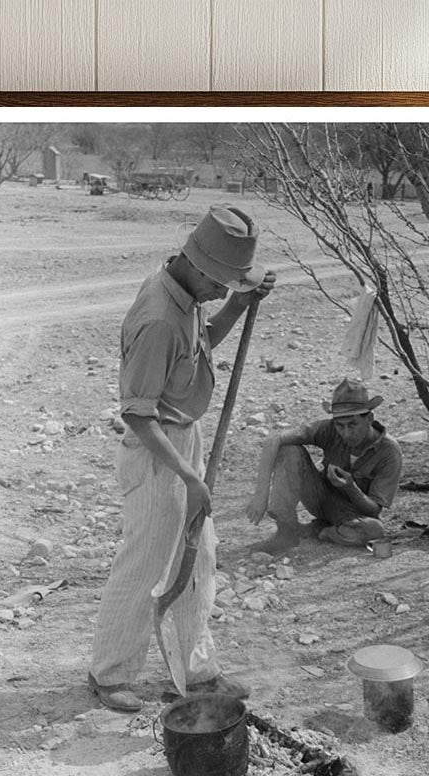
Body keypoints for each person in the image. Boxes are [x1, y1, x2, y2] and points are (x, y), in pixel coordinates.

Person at [88, 207, 276, 712]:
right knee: (147, 562)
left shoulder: (185, 291)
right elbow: (137, 415)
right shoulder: (158, 319)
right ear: (201, 268)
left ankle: (195, 672)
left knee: (199, 560)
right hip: (157, 455)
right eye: (222, 284)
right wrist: (190, 476)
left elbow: (200, 347)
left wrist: (238, 304)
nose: (221, 292)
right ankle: (109, 674)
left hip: (181, 440)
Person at [246, 378, 403, 553]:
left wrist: (351, 488)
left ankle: (317, 530)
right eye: (340, 426)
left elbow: (374, 510)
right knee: (290, 450)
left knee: (375, 530)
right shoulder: (329, 429)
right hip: (319, 499)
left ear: (369, 418)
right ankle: (286, 532)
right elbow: (273, 440)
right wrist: (261, 494)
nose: (346, 433)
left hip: (354, 514)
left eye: (353, 425)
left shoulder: (389, 451)